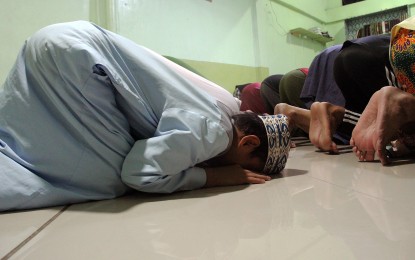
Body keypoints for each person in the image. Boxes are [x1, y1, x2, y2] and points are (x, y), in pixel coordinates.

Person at [0, 21, 291, 211]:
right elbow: (139, 174)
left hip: (60, 41)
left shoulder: (217, 108)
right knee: (109, 180)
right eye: (252, 168)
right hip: (77, 62)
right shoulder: (215, 132)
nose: (247, 175)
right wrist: (212, 177)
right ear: (249, 143)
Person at [275, 33, 393, 153]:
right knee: (381, 123)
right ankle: (336, 116)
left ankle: (304, 113)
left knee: (365, 119)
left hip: (333, 56)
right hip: (368, 57)